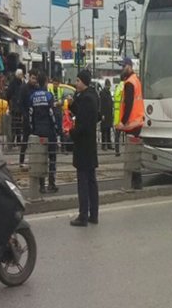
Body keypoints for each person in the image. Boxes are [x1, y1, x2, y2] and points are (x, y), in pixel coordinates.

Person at [69, 70, 99, 227]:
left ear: (84, 82)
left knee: (84, 182)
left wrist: (71, 133)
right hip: (90, 145)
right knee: (92, 181)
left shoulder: (87, 99)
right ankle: (93, 214)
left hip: (84, 146)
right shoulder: (92, 96)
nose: (76, 83)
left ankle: (83, 216)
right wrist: (73, 105)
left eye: (78, 80)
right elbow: (84, 114)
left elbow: (83, 124)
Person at [116, 57, 145, 189]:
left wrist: (123, 122)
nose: (121, 69)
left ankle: (133, 183)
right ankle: (136, 182)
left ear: (129, 66)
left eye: (123, 67)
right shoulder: (136, 80)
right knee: (134, 153)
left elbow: (128, 104)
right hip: (137, 121)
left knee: (131, 154)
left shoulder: (129, 83)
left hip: (132, 123)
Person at [29, 71, 59, 194]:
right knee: (52, 157)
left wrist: (33, 129)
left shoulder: (33, 96)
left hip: (37, 132)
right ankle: (51, 183)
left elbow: (30, 115)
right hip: (49, 131)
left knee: (40, 158)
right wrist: (56, 127)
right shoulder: (48, 96)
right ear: (46, 82)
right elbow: (51, 114)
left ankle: (41, 185)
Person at [18, 68, 37, 168]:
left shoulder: (36, 88)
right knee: (25, 139)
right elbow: (20, 102)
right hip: (27, 117)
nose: (34, 81)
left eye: (35, 79)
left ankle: (33, 160)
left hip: (34, 117)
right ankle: (21, 161)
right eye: (33, 78)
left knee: (35, 140)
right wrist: (24, 114)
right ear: (29, 77)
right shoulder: (24, 88)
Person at [6, 69, 24, 145]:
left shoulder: (19, 82)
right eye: (21, 75)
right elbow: (9, 94)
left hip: (17, 106)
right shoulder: (15, 83)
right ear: (18, 75)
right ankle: (15, 140)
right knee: (16, 124)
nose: (22, 76)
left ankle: (16, 140)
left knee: (17, 124)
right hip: (15, 106)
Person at [99, 79, 114, 150]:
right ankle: (103, 145)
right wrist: (102, 114)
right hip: (105, 114)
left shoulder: (108, 93)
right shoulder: (102, 93)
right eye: (108, 85)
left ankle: (109, 144)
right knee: (104, 130)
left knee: (108, 130)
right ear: (106, 85)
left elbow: (110, 103)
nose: (109, 87)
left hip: (109, 114)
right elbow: (101, 105)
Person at [112, 79, 124, 156]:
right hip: (123, 115)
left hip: (117, 115)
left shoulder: (117, 88)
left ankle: (117, 151)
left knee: (117, 135)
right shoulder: (124, 87)